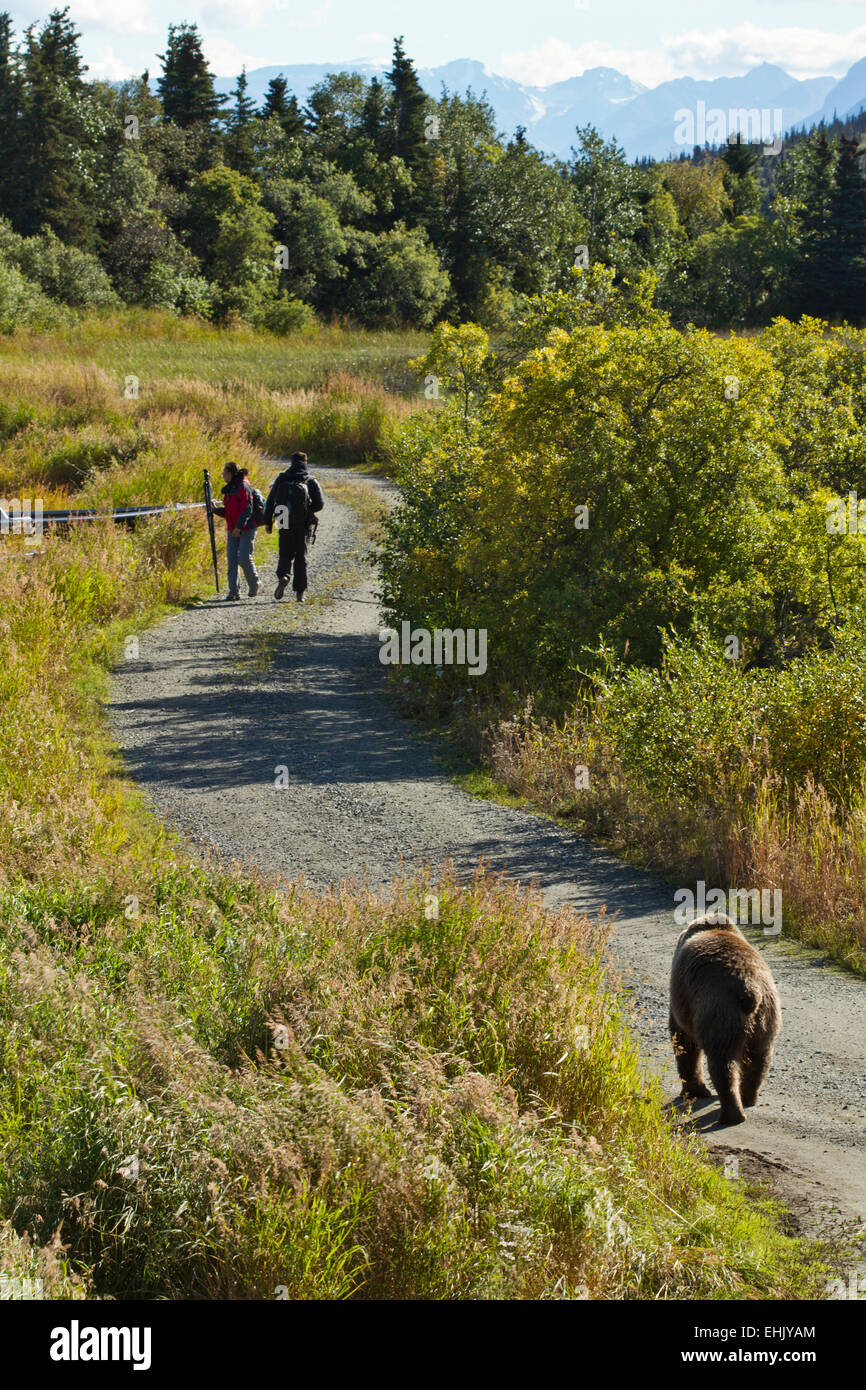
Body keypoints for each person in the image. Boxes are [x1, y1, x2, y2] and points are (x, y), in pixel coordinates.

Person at [263, 452, 324, 602]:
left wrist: (268, 522)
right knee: (300, 555)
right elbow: (320, 503)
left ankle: (284, 576)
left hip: (283, 516)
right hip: (302, 521)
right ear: (305, 462)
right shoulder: (309, 479)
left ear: (291, 462)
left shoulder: (282, 478)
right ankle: (300, 592)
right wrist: (308, 510)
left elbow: (270, 501)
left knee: (284, 551)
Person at [212, 461, 260, 601]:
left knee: (244, 557)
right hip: (233, 529)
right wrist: (216, 511)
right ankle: (233, 592)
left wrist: (239, 527)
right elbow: (229, 511)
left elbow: (247, 509)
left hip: (247, 528)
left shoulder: (243, 487)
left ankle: (254, 583)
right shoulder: (230, 489)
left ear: (231, 473)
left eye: (224, 471)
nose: (222, 474)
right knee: (232, 560)